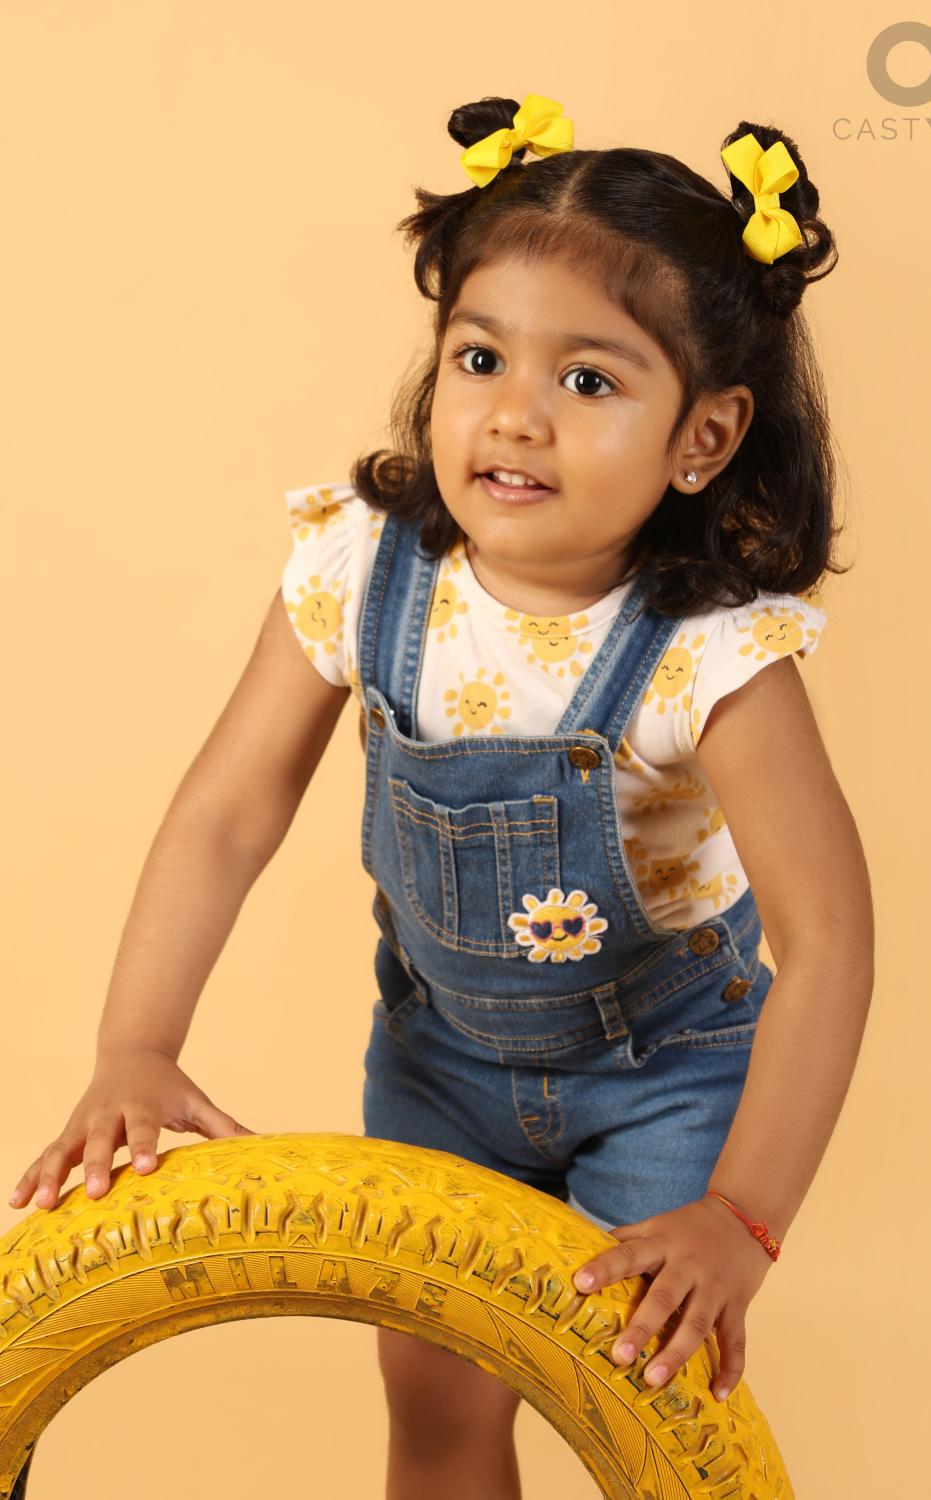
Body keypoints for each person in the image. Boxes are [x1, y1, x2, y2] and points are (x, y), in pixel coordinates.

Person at [8, 92, 874, 1499]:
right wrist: (135, 1046)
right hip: (440, 1064)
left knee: (648, 1399)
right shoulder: (361, 572)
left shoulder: (712, 655)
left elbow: (828, 938)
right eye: (481, 357)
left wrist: (742, 1217)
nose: (515, 415)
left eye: (587, 381)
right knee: (434, 1402)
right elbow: (227, 812)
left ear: (704, 439)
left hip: (666, 1075)